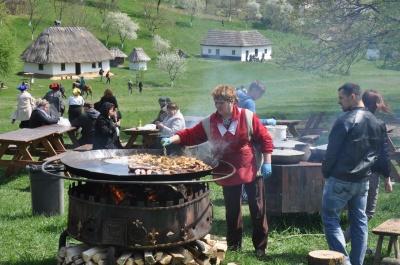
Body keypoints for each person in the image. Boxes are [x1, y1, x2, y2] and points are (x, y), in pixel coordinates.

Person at [161, 85, 273, 257]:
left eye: (221, 102)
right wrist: (172, 139)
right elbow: (190, 134)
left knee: (257, 209)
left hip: (251, 167)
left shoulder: (247, 116)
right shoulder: (210, 121)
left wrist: (267, 162)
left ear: (232, 101)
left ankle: (260, 247)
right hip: (226, 169)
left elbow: (264, 138)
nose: (218, 106)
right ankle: (235, 246)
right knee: (232, 209)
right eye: (216, 102)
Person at [321, 82, 385, 265]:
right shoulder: (377, 122)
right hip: (363, 180)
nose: (339, 102)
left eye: (341, 98)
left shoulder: (344, 121)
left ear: (352, 96)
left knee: (331, 219)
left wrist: (325, 172)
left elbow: (331, 152)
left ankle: (344, 262)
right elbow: (377, 154)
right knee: (360, 222)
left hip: (340, 179)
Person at [343, 89, 393, 253]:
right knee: (367, 213)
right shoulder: (377, 124)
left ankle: (361, 247)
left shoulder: (351, 120)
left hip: (350, 173)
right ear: (375, 105)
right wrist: (387, 177)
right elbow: (383, 154)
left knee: (357, 212)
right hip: (369, 174)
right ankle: (340, 243)